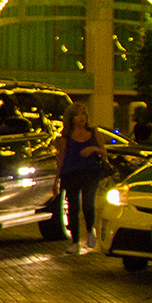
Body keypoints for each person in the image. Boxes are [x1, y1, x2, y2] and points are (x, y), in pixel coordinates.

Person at [57, 101, 111, 254]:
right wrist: (57, 179)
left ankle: (89, 231)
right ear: (71, 118)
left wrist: (93, 148)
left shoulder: (94, 133)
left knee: (88, 204)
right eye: (77, 115)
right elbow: (61, 157)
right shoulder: (66, 136)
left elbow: (104, 152)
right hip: (71, 173)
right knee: (73, 207)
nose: (81, 118)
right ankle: (75, 242)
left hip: (90, 172)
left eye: (83, 114)